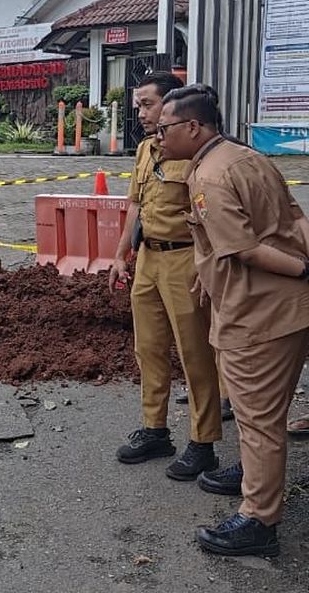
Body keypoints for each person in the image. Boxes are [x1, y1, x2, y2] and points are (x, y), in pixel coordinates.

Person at [156, 84, 309, 557]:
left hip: (257, 314)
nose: (158, 137)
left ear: (192, 127)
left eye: (163, 128)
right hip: (286, 309)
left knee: (258, 419)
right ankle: (252, 474)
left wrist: (303, 270)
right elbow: (293, 218)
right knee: (264, 414)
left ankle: (259, 520)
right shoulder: (247, 158)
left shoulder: (210, 178)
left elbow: (244, 250)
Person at [108, 72, 221, 480]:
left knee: (195, 354)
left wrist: (208, 266)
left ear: (171, 106)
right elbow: (135, 206)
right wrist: (121, 254)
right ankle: (155, 429)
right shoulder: (144, 150)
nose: (140, 112)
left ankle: (203, 442)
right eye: (138, 105)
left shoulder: (195, 154)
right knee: (149, 350)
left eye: (147, 104)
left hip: (184, 262)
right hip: (148, 261)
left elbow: (212, 218)